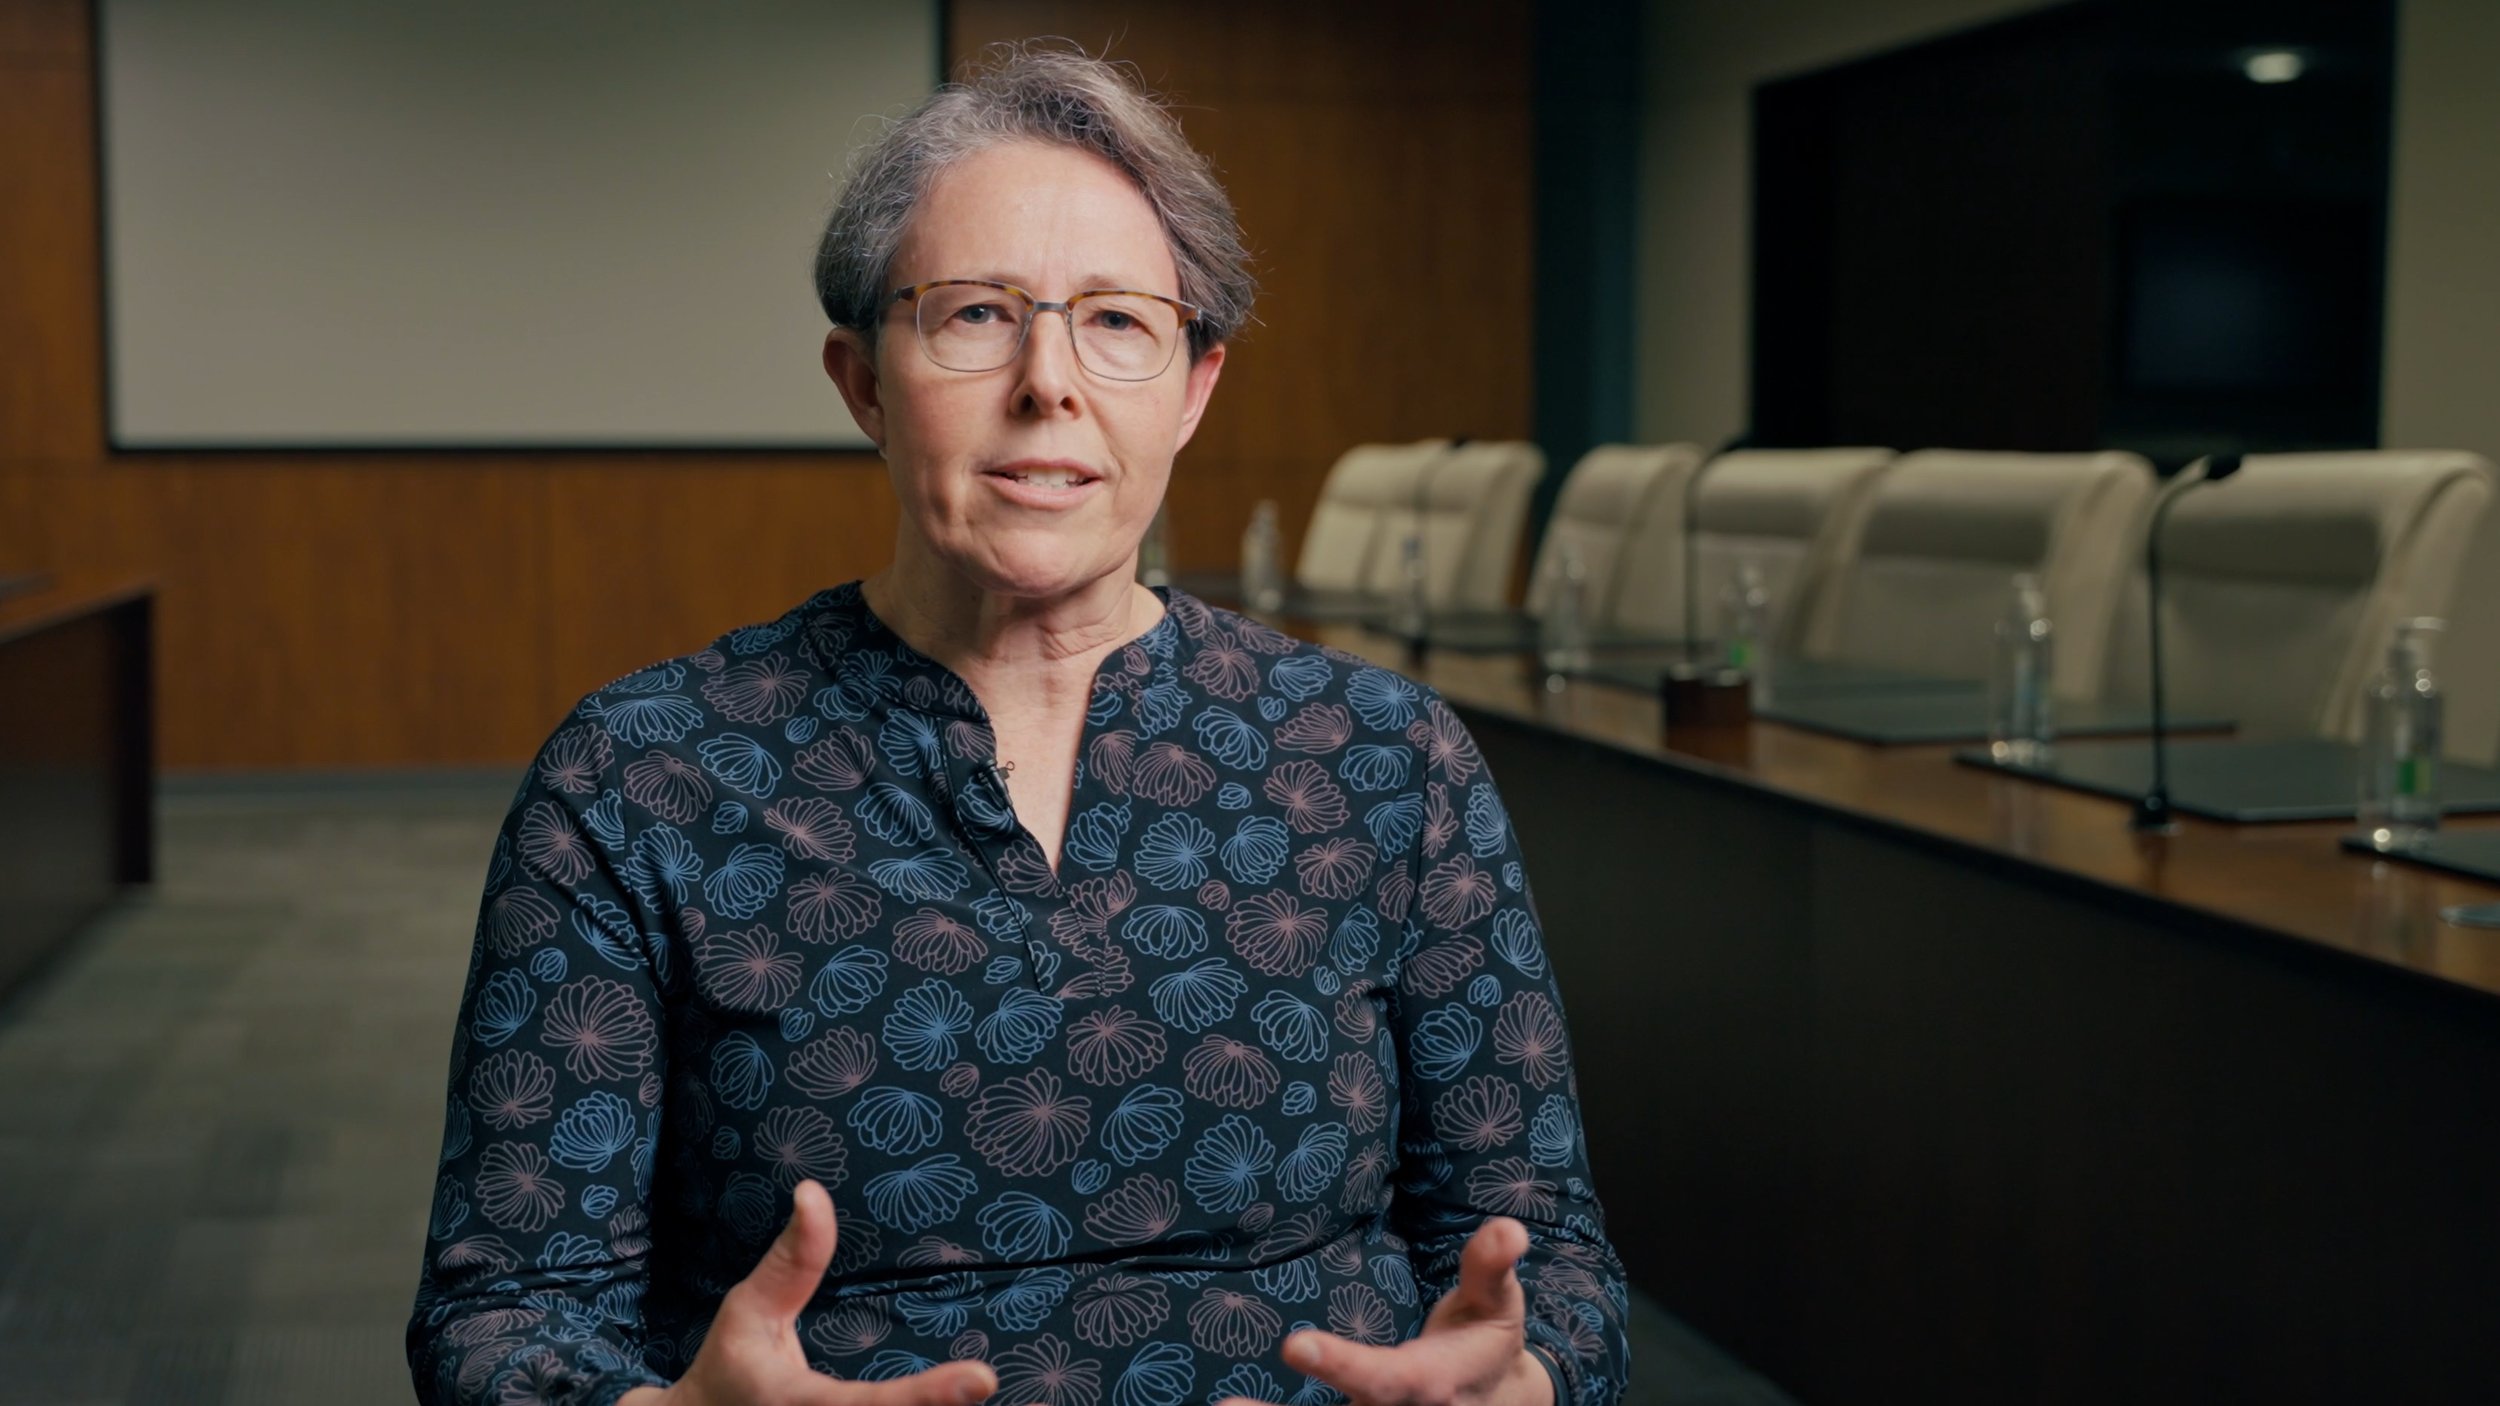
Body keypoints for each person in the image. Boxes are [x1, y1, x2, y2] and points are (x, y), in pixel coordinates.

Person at [407, 43, 1629, 1406]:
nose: (1051, 379)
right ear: (863, 379)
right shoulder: (638, 775)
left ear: (1193, 388)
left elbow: (1552, 1255)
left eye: (1118, 321)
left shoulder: (1386, 760)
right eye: (977, 313)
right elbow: (502, 1311)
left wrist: (1514, 1386)